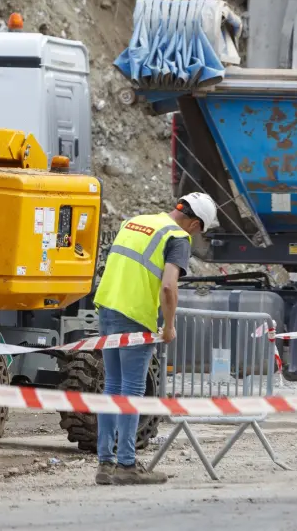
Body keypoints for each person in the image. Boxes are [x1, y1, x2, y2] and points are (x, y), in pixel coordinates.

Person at [91, 192, 219, 485]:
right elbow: (168, 287)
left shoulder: (136, 221)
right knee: (132, 390)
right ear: (196, 224)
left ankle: (105, 464)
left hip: (107, 308)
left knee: (112, 386)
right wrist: (170, 325)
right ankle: (126, 464)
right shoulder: (178, 239)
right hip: (136, 316)